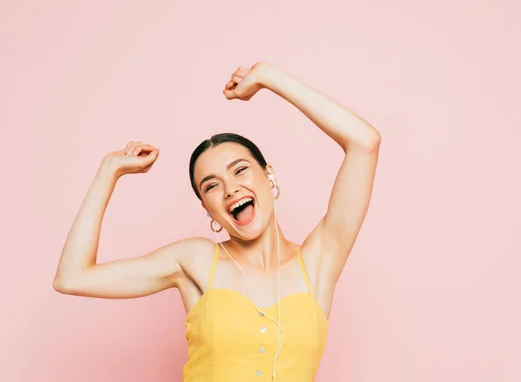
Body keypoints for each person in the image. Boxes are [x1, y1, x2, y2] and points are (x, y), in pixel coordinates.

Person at [53, 62, 381, 382]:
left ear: (268, 177)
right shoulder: (195, 260)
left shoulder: (318, 261)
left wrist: (268, 77)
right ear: (208, 209)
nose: (230, 189)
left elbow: (364, 143)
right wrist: (108, 172)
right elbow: (72, 277)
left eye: (240, 170)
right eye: (211, 185)